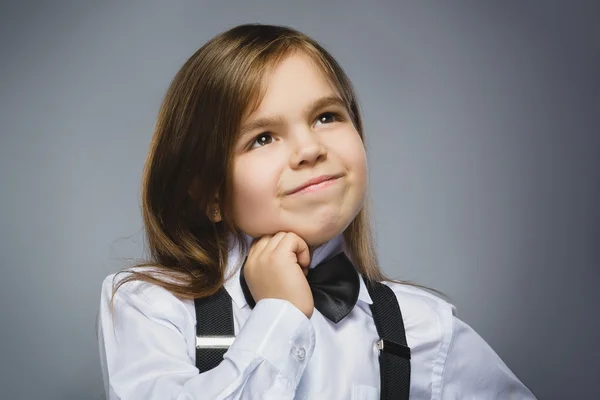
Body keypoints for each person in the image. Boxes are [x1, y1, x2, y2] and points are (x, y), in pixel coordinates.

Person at [97, 23, 536, 399]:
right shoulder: (150, 307)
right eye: (263, 137)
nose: (310, 149)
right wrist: (280, 314)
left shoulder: (421, 327)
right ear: (210, 194)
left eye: (326, 116)